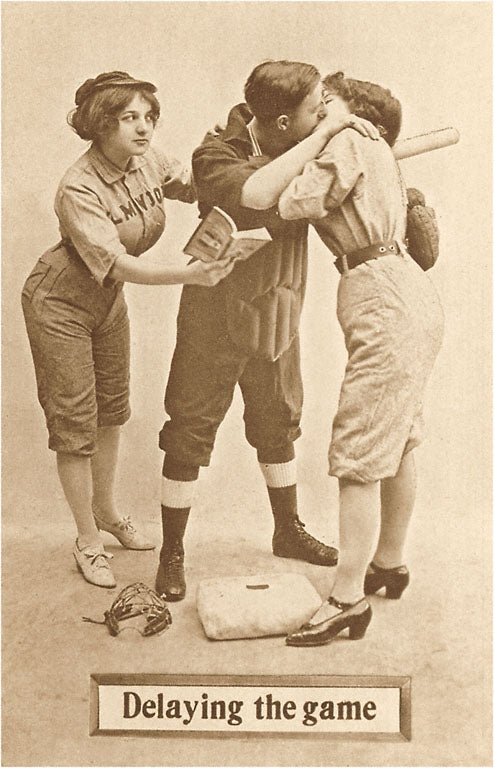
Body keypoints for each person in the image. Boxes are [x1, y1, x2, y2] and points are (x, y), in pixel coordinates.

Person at [156, 60, 380, 601]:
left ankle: (287, 530)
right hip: (213, 317)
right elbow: (257, 192)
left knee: (279, 423)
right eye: (316, 111)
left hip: (278, 310)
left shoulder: (306, 144)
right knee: (189, 432)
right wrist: (324, 139)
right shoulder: (215, 154)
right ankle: (172, 551)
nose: (325, 116)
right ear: (282, 122)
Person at [251, 71, 443, 646]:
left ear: (353, 109)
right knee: (399, 438)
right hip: (405, 288)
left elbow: (285, 201)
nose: (319, 109)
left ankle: (346, 598)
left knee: (358, 452)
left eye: (328, 102)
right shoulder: (370, 144)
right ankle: (389, 562)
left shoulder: (349, 139)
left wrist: (315, 141)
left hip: (381, 292)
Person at [21, 71, 233, 589]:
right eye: (129, 118)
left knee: (112, 412)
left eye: (148, 117)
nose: (144, 128)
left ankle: (108, 511)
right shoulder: (78, 186)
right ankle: (86, 538)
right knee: (75, 424)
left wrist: (233, 159)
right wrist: (189, 275)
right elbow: (116, 263)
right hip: (60, 302)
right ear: (101, 124)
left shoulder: (148, 160)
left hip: (106, 301)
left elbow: (195, 183)